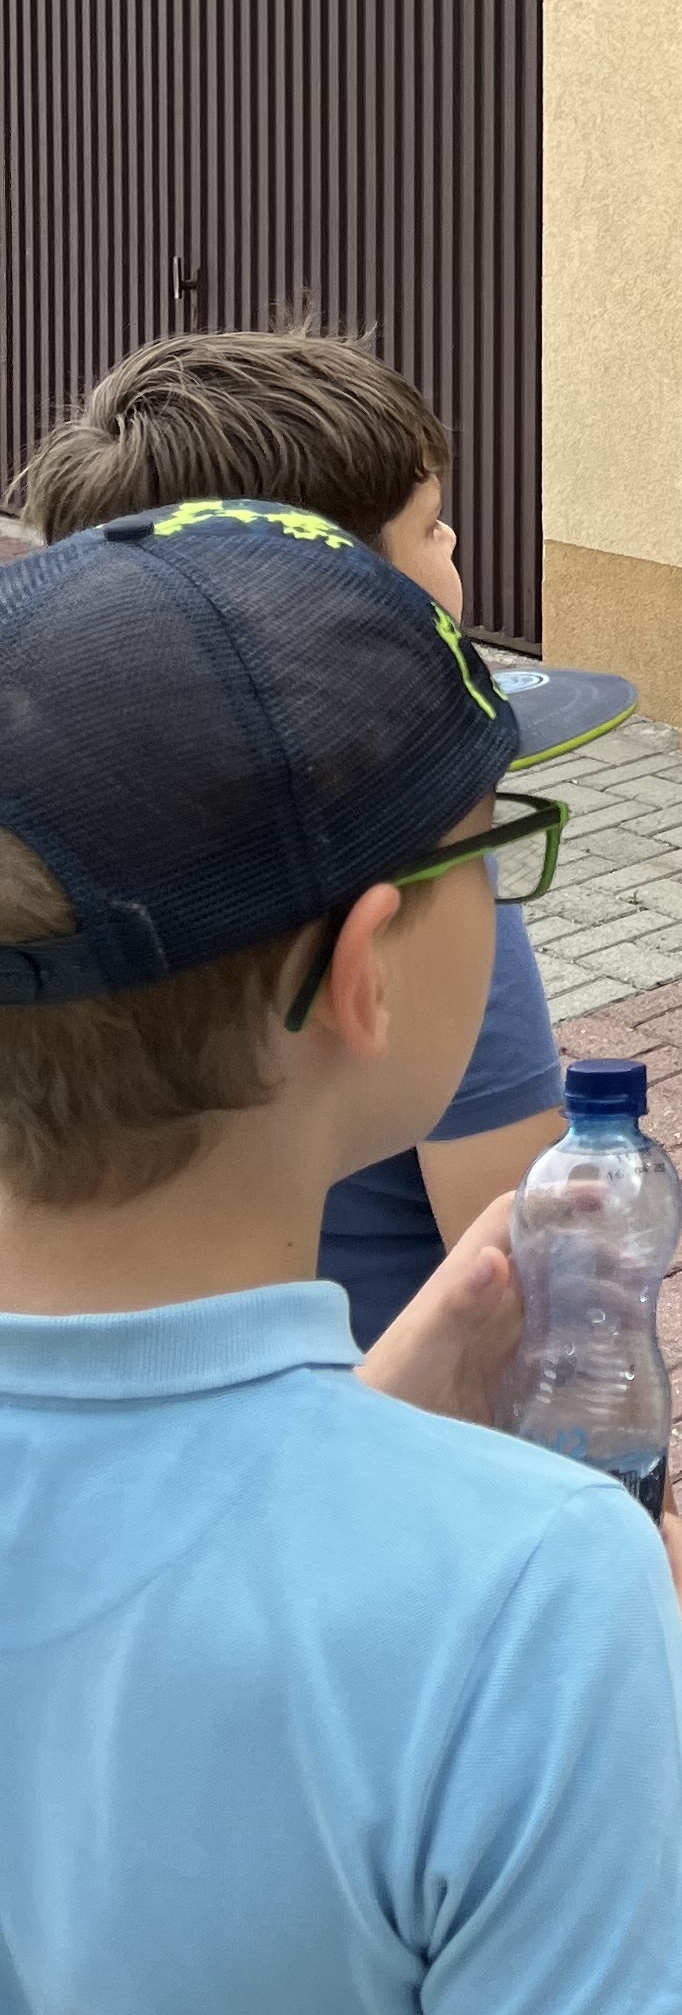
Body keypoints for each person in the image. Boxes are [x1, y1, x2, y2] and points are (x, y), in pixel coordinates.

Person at [0, 496, 682, 2015]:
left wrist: (351, 1434)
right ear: (361, 973)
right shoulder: (528, 1606)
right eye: (490, 854)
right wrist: (653, 1788)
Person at [14, 327, 630, 1345]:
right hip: (369, 1423)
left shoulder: (49, 868)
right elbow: (524, 1272)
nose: (454, 546)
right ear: (340, 606)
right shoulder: (424, 888)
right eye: (429, 526)